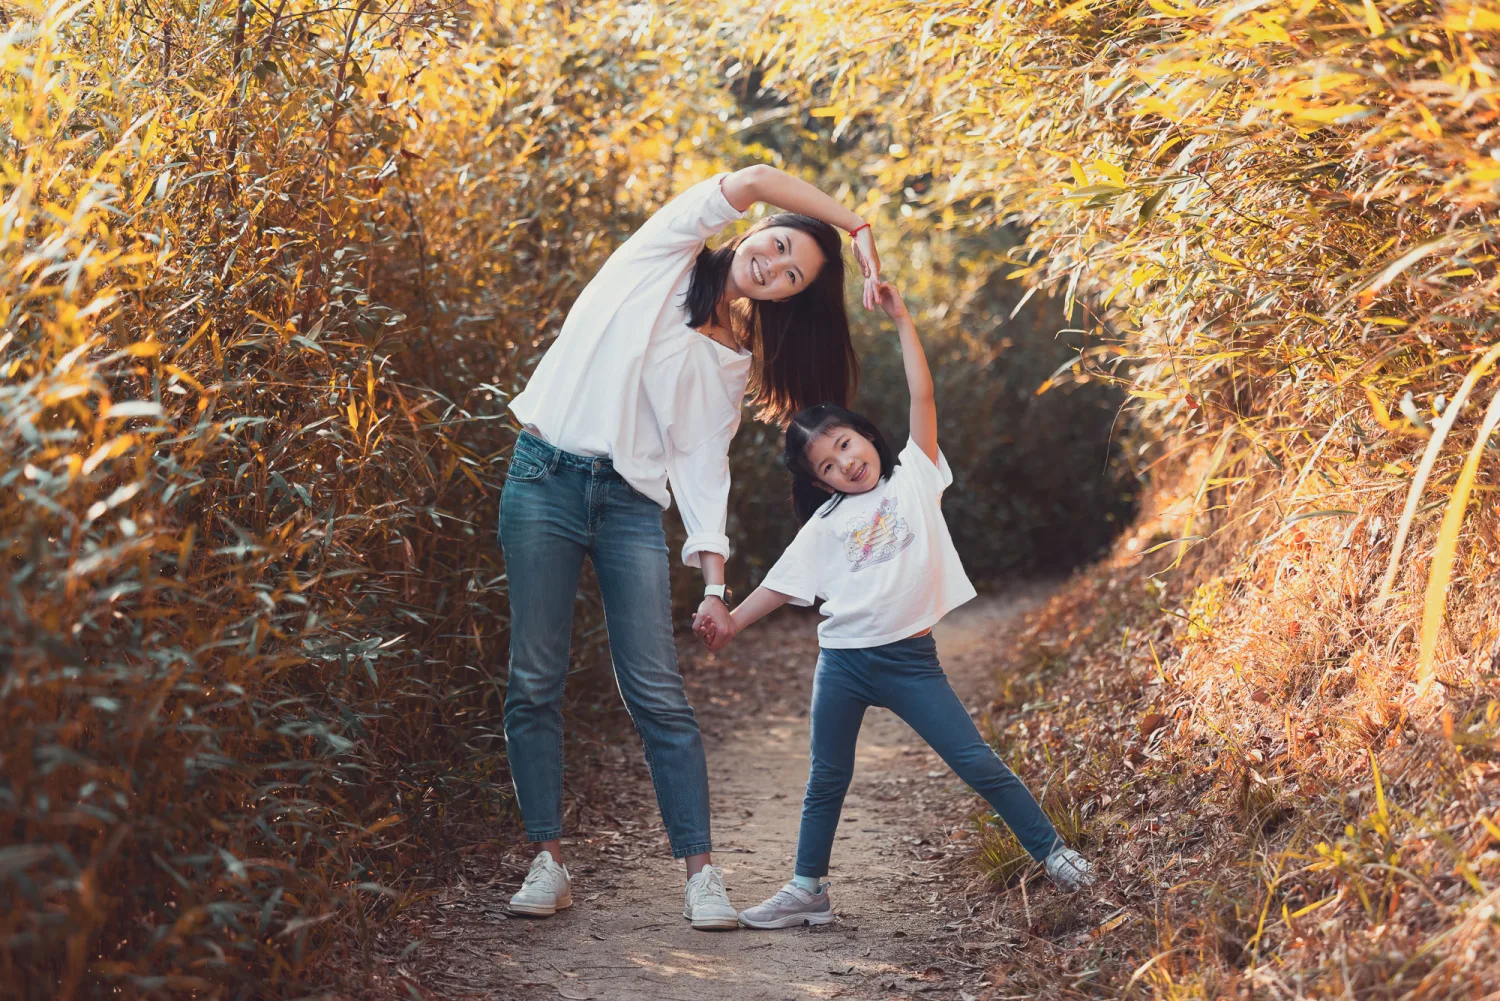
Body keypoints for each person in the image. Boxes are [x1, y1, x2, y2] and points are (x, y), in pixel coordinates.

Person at [500, 164, 880, 930]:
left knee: (658, 693)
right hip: (542, 477)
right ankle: (548, 860)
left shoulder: (731, 359)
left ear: (786, 300)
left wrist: (716, 584)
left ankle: (701, 875)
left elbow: (704, 468)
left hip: (632, 506)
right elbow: (755, 175)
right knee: (534, 677)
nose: (772, 266)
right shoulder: (667, 250)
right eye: (776, 246)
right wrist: (854, 228)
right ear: (756, 231)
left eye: (790, 277)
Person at [694, 282, 1095, 930]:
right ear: (819, 481)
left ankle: (1053, 852)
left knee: (975, 762)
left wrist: (904, 318)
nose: (845, 463)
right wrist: (731, 621)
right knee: (827, 777)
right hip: (844, 664)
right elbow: (780, 581)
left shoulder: (916, 476)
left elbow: (923, 396)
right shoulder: (825, 522)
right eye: (828, 464)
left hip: (911, 662)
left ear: (866, 436)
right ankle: (808, 888)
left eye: (847, 445)